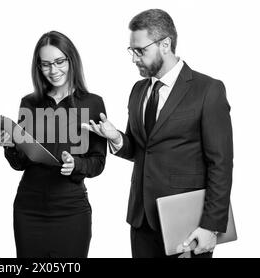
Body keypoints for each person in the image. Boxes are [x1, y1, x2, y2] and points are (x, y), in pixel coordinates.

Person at [83, 9, 233, 258]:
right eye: (131, 50)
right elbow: (141, 150)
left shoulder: (208, 90)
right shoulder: (139, 90)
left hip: (186, 225)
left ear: (165, 44)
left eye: (140, 50)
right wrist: (117, 138)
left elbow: (221, 163)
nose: (134, 58)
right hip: (141, 220)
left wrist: (211, 226)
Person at [0, 31, 107, 258]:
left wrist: (76, 165)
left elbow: (98, 162)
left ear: (71, 60)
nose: (53, 71)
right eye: (45, 65)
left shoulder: (93, 103)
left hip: (72, 210)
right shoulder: (30, 102)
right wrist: (10, 145)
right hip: (29, 209)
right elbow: (20, 163)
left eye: (59, 61)